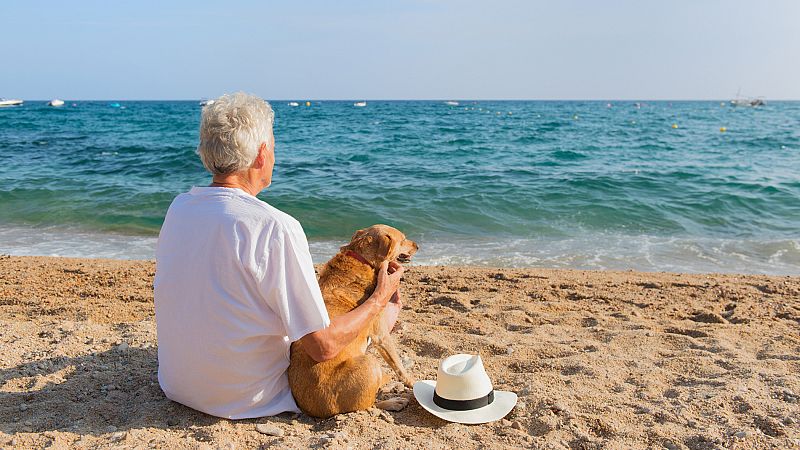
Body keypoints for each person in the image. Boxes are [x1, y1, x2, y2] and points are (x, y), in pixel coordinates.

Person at [154, 92, 404, 419]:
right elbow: (323, 347)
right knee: (369, 319)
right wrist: (380, 296)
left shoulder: (179, 208)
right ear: (261, 154)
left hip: (177, 385)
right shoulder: (275, 226)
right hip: (246, 398)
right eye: (273, 145)